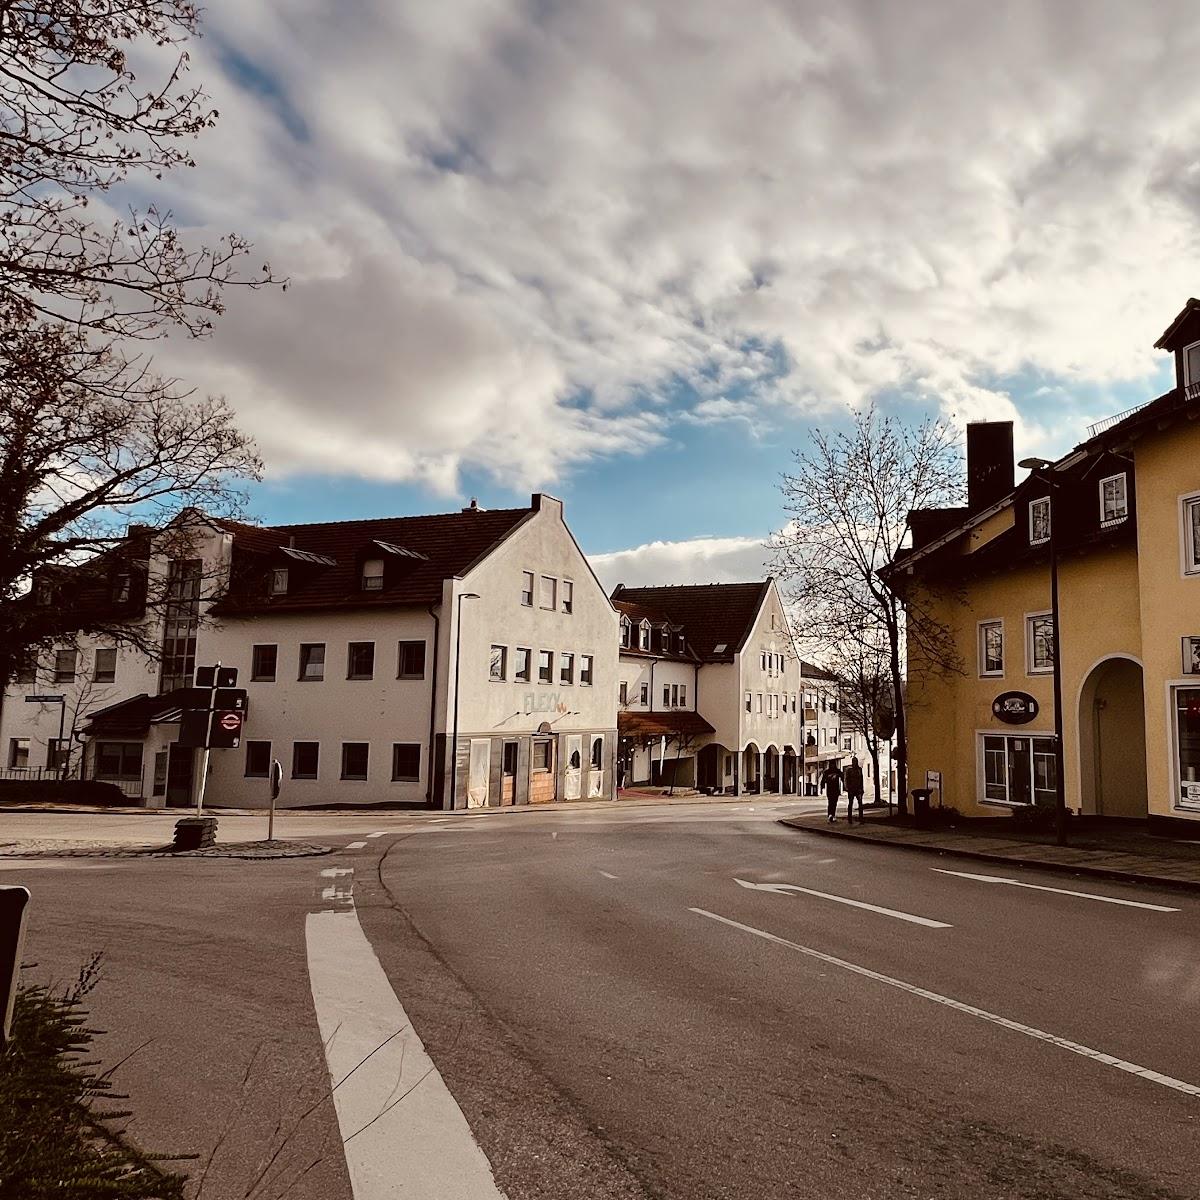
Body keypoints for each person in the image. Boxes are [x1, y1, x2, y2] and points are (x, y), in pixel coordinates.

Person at [843, 756, 865, 823]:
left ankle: (861, 819)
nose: (854, 763)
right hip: (851, 789)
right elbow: (846, 779)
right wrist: (847, 787)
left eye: (855, 761)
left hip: (858, 789)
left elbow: (861, 779)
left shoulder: (859, 769)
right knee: (850, 803)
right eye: (853, 761)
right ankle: (850, 818)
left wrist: (862, 788)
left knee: (860, 804)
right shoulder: (849, 770)